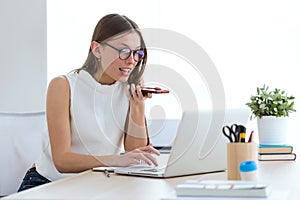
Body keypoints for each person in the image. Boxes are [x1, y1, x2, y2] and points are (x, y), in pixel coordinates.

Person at [18, 13, 160, 192]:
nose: (132, 60)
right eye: (123, 51)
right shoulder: (63, 85)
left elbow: (137, 156)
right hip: (48, 183)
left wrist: (138, 106)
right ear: (97, 49)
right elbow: (62, 161)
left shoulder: (128, 88)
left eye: (137, 53)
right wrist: (116, 160)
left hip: (95, 184)